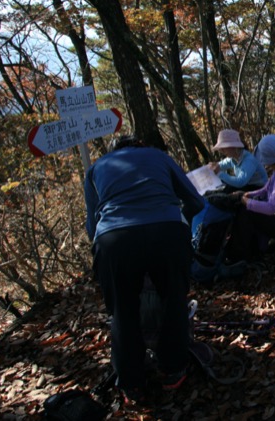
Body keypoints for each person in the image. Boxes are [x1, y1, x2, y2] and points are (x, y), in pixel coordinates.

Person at [84, 135, 205, 401]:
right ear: (140, 146)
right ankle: (173, 371)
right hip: (167, 231)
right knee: (173, 300)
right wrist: (181, 223)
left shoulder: (96, 168)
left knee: (122, 310)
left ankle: (131, 383)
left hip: (114, 239)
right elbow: (195, 201)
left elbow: (92, 226)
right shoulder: (159, 156)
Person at [191, 129, 268, 282]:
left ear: (233, 146)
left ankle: (241, 251)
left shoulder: (248, 160)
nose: (222, 151)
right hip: (246, 189)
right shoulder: (233, 159)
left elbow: (241, 181)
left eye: (224, 148)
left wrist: (219, 173)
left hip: (258, 191)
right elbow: (220, 166)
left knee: (237, 208)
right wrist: (211, 169)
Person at [223, 134, 275, 263]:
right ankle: (243, 249)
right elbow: (266, 189)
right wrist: (248, 195)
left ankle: (238, 256)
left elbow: (271, 208)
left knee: (247, 212)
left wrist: (247, 202)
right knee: (246, 209)